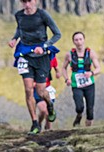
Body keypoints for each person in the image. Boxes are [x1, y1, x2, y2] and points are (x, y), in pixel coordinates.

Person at [8, 0, 61, 134]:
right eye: (24, 2)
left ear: (35, 1)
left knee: (41, 91)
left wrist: (43, 46)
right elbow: (19, 29)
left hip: (41, 56)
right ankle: (35, 123)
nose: (27, 4)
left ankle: (50, 105)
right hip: (25, 54)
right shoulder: (18, 15)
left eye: (29, 1)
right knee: (28, 89)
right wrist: (14, 39)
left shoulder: (43, 15)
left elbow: (57, 34)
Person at [62, 32, 101, 127]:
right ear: (73, 42)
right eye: (76, 40)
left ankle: (87, 132)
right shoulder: (69, 54)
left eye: (80, 39)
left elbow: (98, 68)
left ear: (84, 40)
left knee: (90, 110)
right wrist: (67, 79)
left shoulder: (91, 53)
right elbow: (63, 68)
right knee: (79, 107)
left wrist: (91, 73)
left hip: (89, 84)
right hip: (76, 85)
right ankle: (79, 116)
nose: (79, 42)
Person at [36, 55, 60, 131]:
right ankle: (38, 124)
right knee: (43, 110)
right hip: (37, 88)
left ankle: (48, 130)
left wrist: (58, 72)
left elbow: (56, 67)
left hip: (48, 87)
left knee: (49, 111)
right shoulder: (34, 58)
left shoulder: (51, 57)